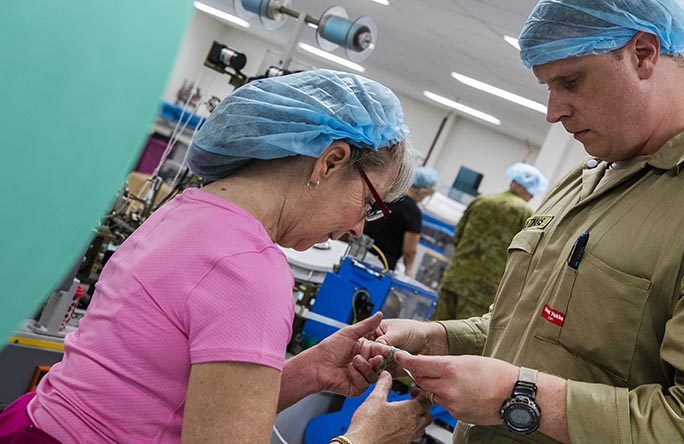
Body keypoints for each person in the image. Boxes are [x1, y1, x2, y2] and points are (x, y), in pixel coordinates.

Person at [360, 1, 684, 443]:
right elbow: (526, 330)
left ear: (644, 54)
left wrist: (517, 397)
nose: (554, 111)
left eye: (570, 81)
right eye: (549, 87)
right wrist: (436, 339)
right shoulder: (588, 177)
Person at [0, 70, 431, 443]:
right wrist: (362, 439)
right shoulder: (250, 270)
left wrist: (307, 371)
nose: (360, 227)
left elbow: (162, 400)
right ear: (331, 161)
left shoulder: (188, 210)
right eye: (371, 203)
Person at [434, 163, 548, 320]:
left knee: (434, 332)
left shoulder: (482, 200)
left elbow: (458, 234)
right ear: (528, 190)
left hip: (455, 278)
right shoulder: (526, 213)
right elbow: (525, 256)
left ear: (512, 182)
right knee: (462, 339)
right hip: (483, 291)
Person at [364, 166, 439, 276]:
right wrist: (409, 270)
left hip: (359, 250)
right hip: (381, 263)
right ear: (422, 192)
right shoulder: (413, 212)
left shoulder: (387, 197)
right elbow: (409, 250)